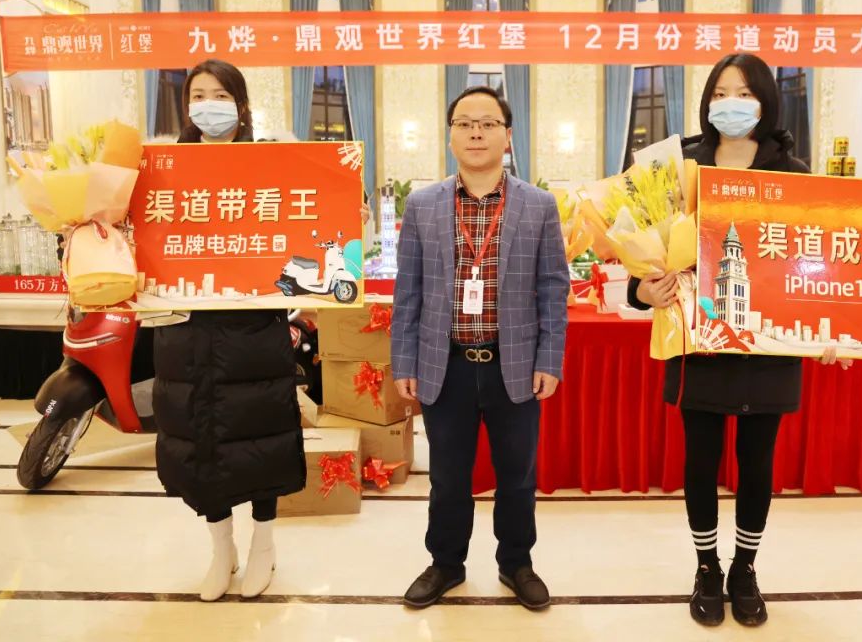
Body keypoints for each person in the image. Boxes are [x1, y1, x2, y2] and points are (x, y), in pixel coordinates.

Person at [627, 54, 853, 627]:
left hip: (769, 347)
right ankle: (706, 567)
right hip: (699, 342)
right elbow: (642, 250)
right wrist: (642, 290)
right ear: (707, 102)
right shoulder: (679, 168)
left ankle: (744, 569)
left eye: (745, 93)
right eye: (721, 93)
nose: (732, 103)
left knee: (757, 463)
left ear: (766, 102)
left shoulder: (793, 173)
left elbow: (816, 262)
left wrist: (830, 324)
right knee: (700, 460)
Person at [152, 59, 368, 602]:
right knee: (201, 440)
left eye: (220, 95)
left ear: (241, 104)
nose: (207, 105)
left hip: (254, 331)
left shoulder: (275, 161)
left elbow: (316, 225)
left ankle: (264, 546)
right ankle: (220, 548)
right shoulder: (163, 170)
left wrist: (350, 216)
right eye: (197, 95)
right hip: (186, 332)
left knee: (261, 438)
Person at [391, 85, 570, 610]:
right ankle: (446, 563)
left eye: (488, 123)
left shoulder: (538, 205)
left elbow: (553, 288)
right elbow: (408, 291)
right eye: (464, 123)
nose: (476, 133)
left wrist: (550, 358)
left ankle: (517, 563)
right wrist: (403, 360)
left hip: (513, 364)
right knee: (447, 478)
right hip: (443, 364)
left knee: (517, 477)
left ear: (507, 136)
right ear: (449, 135)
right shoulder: (423, 205)